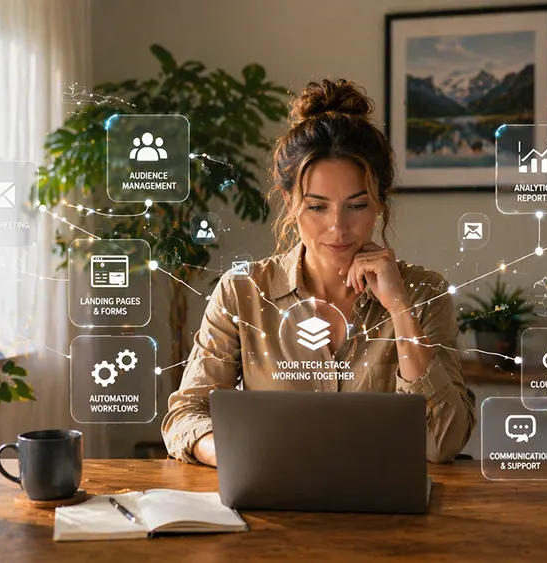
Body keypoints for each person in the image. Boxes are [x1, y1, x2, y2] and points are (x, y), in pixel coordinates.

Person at [161, 78, 476, 466]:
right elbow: (185, 416)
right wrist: (241, 455)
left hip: (388, 517)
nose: (338, 229)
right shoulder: (242, 292)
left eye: (356, 206)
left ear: (380, 201)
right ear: (288, 201)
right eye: (317, 207)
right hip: (274, 506)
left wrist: (399, 308)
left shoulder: (423, 292)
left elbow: (442, 442)